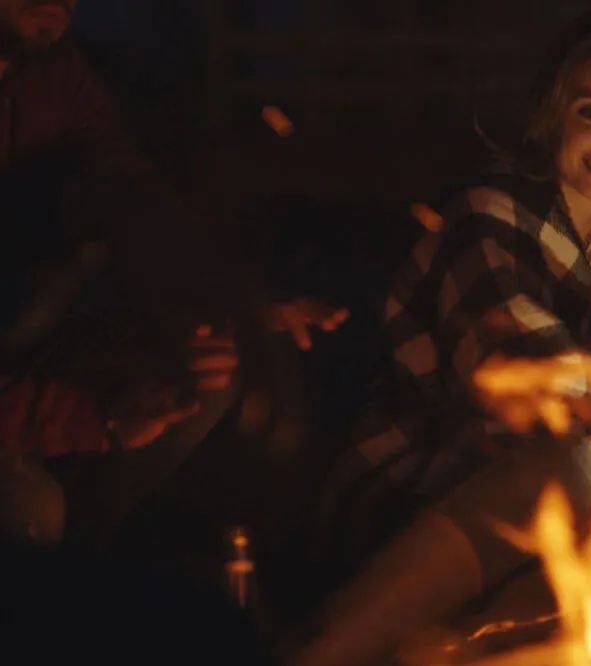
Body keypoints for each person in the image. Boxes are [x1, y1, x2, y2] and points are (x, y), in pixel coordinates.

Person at [287, 8, 591, 666]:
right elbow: (533, 386)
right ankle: (305, 658)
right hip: (412, 495)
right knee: (575, 472)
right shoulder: (490, 212)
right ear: (554, 112)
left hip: (542, 520)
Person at [0, 0, 348, 548]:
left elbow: (129, 201)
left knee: (200, 360)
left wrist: (228, 301)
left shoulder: (50, 72)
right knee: (30, 509)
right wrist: (89, 419)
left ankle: (75, 569)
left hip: (21, 345)